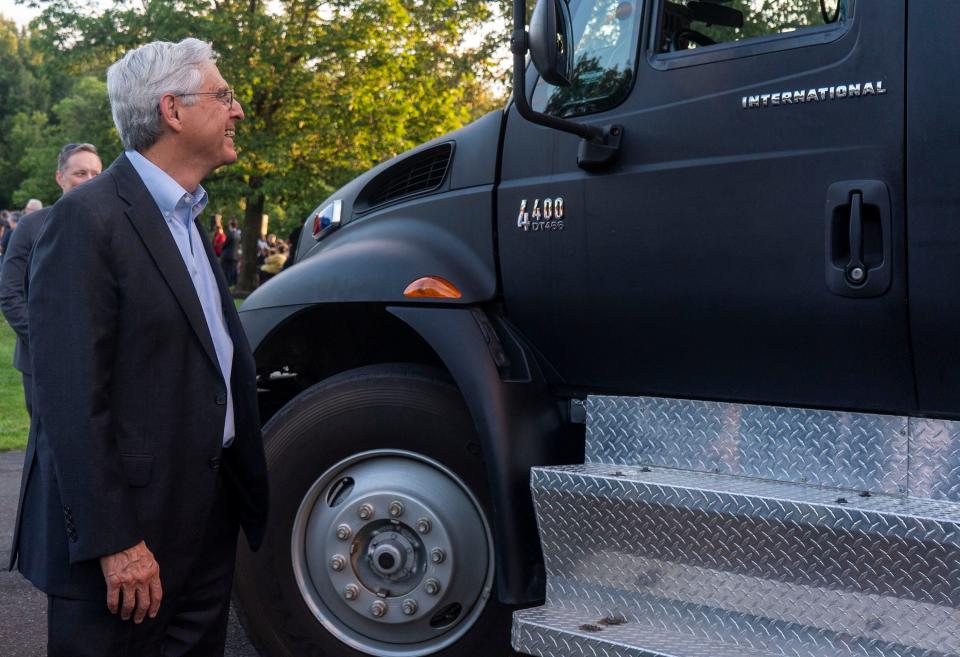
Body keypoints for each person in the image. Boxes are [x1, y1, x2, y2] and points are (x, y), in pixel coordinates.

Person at [9, 38, 269, 657]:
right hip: (126, 550)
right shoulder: (87, 219)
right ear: (172, 111)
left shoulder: (186, 216)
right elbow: (71, 399)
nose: (236, 111)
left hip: (200, 525)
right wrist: (114, 542)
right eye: (223, 95)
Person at [0, 142, 102, 418]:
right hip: (42, 362)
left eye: (96, 174)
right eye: (80, 173)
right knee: (46, 452)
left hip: (99, 363)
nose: (89, 180)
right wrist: (46, 341)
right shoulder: (31, 226)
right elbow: (9, 293)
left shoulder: (110, 227)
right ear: (60, 177)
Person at [220, 217, 240, 286]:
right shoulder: (238, 235)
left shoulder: (230, 234)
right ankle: (230, 284)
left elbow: (225, 245)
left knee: (225, 271)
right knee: (231, 272)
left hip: (227, 256)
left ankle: (225, 284)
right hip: (235, 257)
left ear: (230, 225)